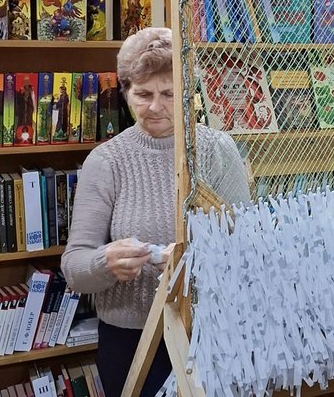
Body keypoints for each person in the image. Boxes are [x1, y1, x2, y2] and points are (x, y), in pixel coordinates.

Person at [61, 27, 252, 397]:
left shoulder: (217, 150)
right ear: (126, 91)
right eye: (143, 94)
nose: (155, 107)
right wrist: (106, 262)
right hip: (129, 342)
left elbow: (245, 250)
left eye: (168, 94)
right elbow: (74, 269)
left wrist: (192, 264)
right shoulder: (106, 162)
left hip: (210, 331)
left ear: (188, 92)